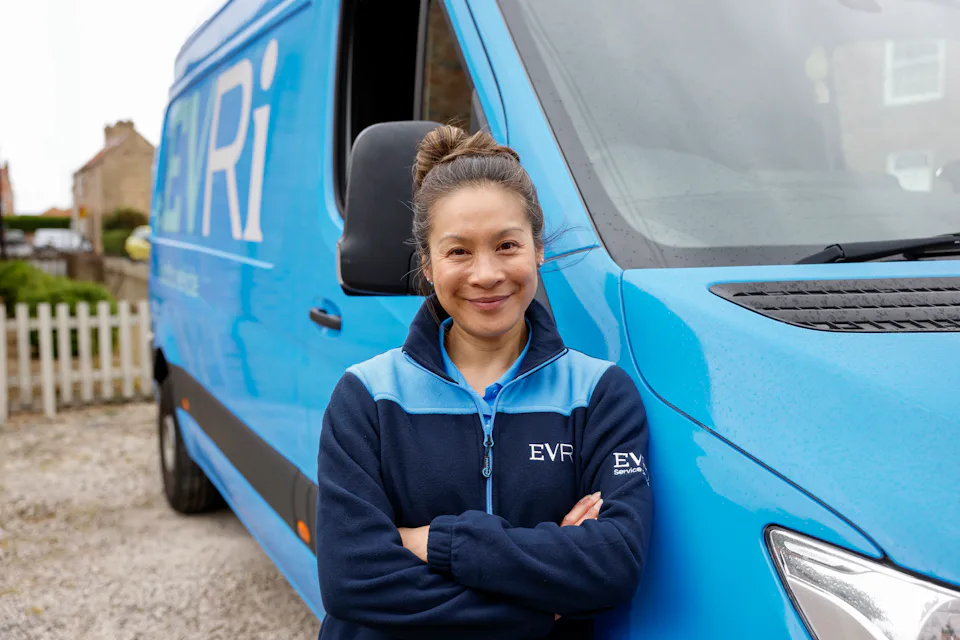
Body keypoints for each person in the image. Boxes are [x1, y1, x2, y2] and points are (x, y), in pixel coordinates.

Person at [315, 125, 653, 639]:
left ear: (538, 249)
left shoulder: (599, 393)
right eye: (458, 252)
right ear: (426, 265)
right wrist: (541, 602)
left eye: (506, 244)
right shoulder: (367, 395)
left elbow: (613, 565)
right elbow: (353, 579)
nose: (487, 273)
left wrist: (434, 542)